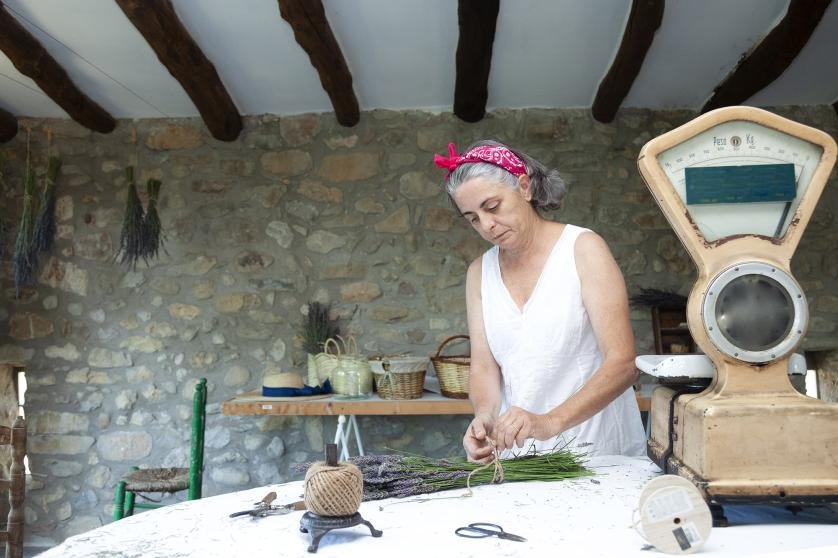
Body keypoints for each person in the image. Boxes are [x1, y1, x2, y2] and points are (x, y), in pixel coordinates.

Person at [433, 140, 646, 463]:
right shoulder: (479, 273)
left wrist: (549, 422)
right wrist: (486, 418)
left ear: (524, 187)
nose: (486, 225)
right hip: (520, 456)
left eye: (492, 206)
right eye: (472, 218)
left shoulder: (583, 249)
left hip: (597, 451)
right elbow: (484, 367)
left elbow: (623, 364)